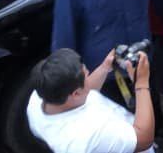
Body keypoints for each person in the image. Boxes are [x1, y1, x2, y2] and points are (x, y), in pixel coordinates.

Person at [27, 48, 155, 153]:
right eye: (87, 75)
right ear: (76, 93)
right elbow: (144, 138)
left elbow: (84, 91)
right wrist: (141, 82)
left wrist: (105, 67)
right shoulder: (90, 136)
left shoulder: (39, 96)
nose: (89, 76)